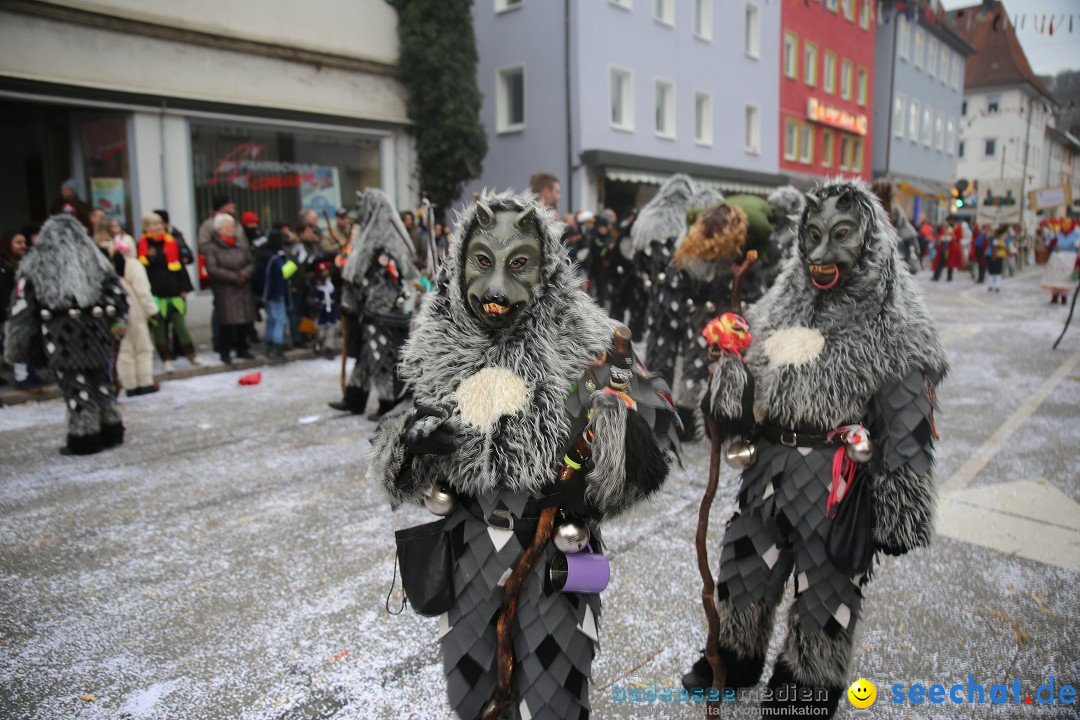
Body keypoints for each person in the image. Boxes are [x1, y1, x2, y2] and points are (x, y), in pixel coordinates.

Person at [368, 190, 678, 720]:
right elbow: (396, 428)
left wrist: (607, 436)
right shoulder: (436, 341)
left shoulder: (596, 344)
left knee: (556, 696)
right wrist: (409, 439)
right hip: (464, 555)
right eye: (482, 263)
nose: (496, 288)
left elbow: (660, 429)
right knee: (470, 697)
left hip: (557, 557)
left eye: (519, 266)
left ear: (547, 269)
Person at [682, 179, 948, 717]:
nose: (822, 253)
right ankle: (734, 656)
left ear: (870, 242)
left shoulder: (896, 328)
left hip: (839, 488)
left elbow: (908, 421)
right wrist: (730, 366)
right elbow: (742, 402)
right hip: (767, 477)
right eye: (814, 235)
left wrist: (901, 506)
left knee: (827, 589)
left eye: (842, 235)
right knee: (744, 566)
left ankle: (807, 683)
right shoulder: (778, 307)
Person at [5, 215, 129, 454]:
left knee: (76, 384)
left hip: (60, 335)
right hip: (97, 332)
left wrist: (17, 347)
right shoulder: (95, 258)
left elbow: (22, 307)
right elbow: (118, 295)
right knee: (101, 381)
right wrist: (116, 325)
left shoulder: (35, 262)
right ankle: (111, 429)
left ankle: (84, 438)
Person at [329, 189, 419, 418]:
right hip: (367, 310)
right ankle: (354, 398)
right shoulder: (369, 237)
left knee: (380, 356)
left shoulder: (384, 242)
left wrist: (373, 307)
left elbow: (387, 279)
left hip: (379, 312)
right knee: (367, 356)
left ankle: (388, 404)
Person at [138, 213, 205, 372]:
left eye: (159, 224)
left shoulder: (172, 242)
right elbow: (143, 272)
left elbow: (180, 268)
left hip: (174, 292)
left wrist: (185, 287)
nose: (158, 227)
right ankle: (166, 359)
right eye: (153, 224)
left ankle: (192, 355)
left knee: (180, 326)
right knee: (159, 329)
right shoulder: (143, 245)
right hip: (156, 293)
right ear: (146, 227)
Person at [203, 214, 256, 365]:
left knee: (244, 320)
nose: (230, 230)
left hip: (243, 286)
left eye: (232, 227)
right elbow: (212, 268)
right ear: (218, 230)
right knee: (227, 321)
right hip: (225, 289)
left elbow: (251, 262)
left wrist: (244, 274)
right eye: (227, 227)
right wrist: (233, 277)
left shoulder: (241, 244)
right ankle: (225, 351)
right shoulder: (212, 248)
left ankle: (242, 348)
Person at [113, 234, 160, 395]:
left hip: (116, 312)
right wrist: (152, 310)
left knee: (124, 349)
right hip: (135, 310)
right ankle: (145, 382)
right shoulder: (134, 265)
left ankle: (130, 385)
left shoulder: (109, 265)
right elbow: (143, 291)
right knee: (142, 347)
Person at [256, 228, 292, 360]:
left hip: (265, 293)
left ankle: (270, 344)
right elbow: (284, 272)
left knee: (271, 319)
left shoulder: (262, 254)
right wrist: (293, 263)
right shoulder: (276, 255)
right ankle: (278, 347)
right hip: (276, 292)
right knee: (279, 319)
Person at [1041, 218, 1079, 305]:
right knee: (1056, 277)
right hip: (1056, 257)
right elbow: (1046, 246)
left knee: (1066, 278)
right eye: (1064, 223)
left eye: (1068, 223)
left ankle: (1064, 296)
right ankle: (1054, 296)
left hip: (1070, 258)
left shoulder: (1077, 235)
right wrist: (1052, 243)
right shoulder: (1055, 234)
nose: (1066, 225)